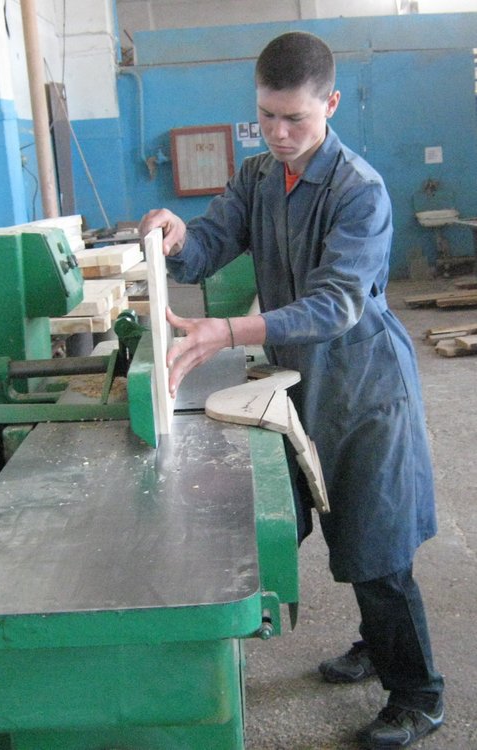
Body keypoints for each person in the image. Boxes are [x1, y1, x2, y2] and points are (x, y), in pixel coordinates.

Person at [139, 31, 444, 749]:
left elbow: (336, 305)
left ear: (330, 105)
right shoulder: (257, 176)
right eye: (266, 117)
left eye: (295, 119)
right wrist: (176, 236)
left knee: (377, 543)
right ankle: (377, 646)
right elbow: (211, 243)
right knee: (333, 523)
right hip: (299, 379)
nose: (278, 134)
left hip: (363, 387)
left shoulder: (358, 191)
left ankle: (418, 694)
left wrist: (227, 331)